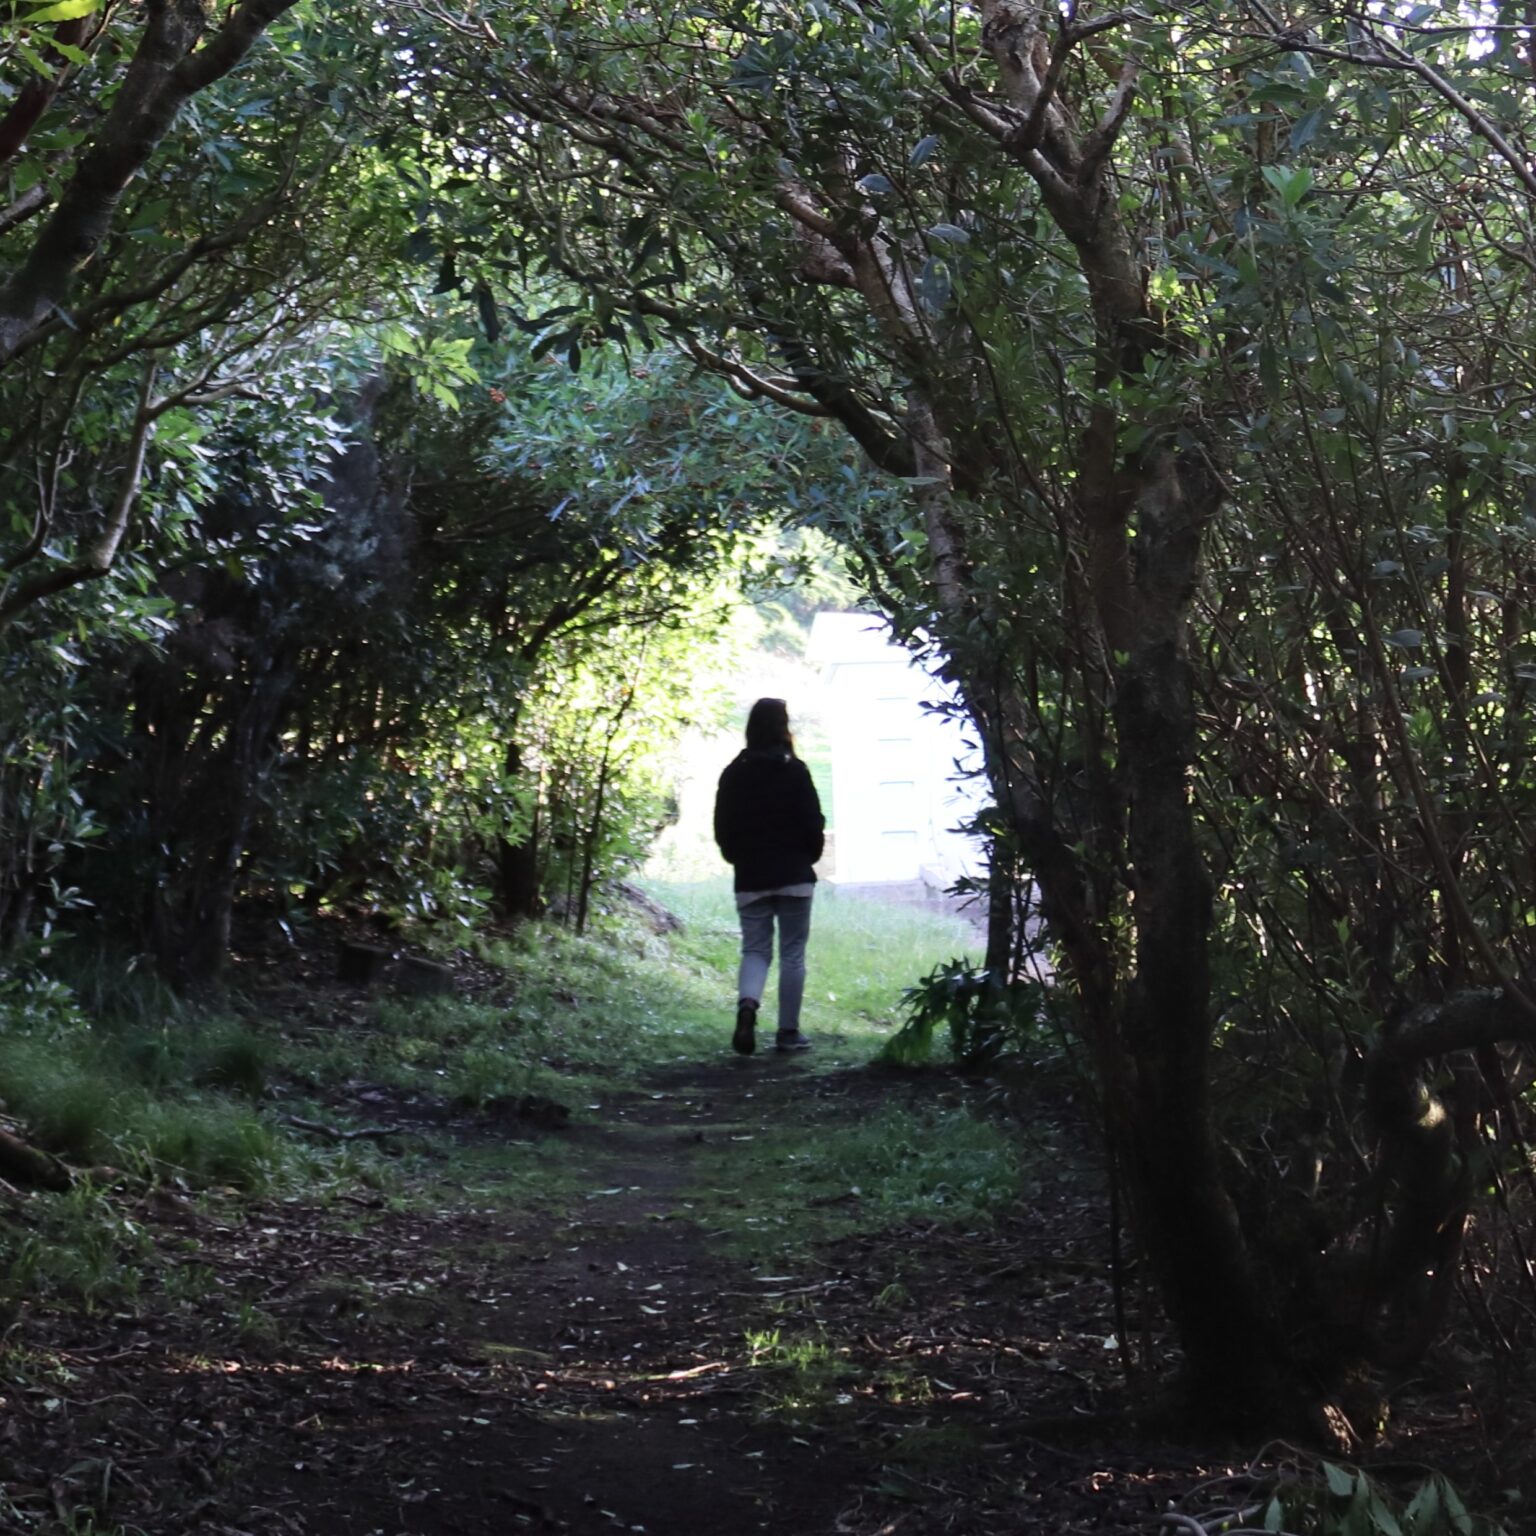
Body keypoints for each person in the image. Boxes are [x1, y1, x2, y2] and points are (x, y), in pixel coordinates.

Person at [712, 697, 825, 1055]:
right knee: (792, 954)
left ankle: (748, 1007)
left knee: (756, 949)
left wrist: (738, 858)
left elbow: (723, 827)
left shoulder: (733, 773)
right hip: (794, 873)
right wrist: (809, 857)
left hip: (751, 874)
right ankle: (788, 1032)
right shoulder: (796, 770)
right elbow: (813, 821)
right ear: (783, 726)